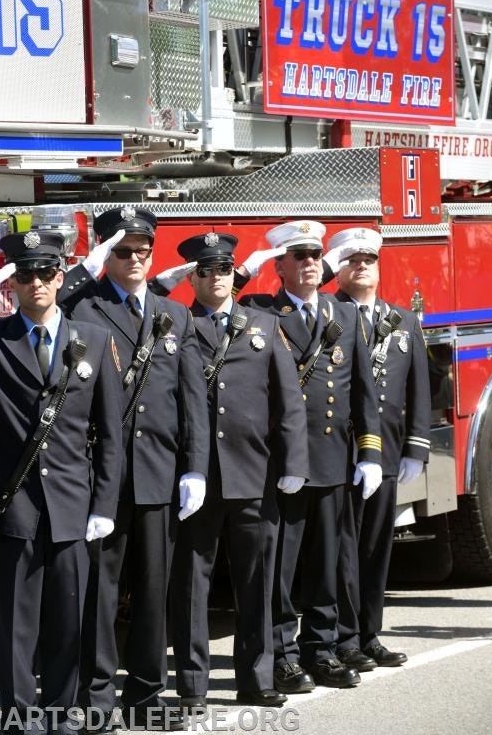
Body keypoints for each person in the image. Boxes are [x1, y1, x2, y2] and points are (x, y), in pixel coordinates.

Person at [59, 208, 210, 732]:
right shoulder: (85, 307)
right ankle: (97, 699)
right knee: (99, 592)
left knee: (153, 591)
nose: (136, 258)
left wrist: (195, 469)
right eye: (123, 250)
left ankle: (146, 695)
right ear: (107, 254)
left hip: (158, 473)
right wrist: (84, 267)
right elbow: (48, 304)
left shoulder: (176, 314)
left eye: (144, 249)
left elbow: (193, 399)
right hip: (102, 476)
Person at [0, 232, 122, 735]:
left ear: (61, 277)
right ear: (12, 282)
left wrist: (104, 502)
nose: (34, 283)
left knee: (67, 623)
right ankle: (22, 719)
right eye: (23, 275)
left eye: (44, 273)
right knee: (15, 626)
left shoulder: (94, 339)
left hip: (73, 505)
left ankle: (60, 716)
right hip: (15, 506)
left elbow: (109, 433)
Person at [237, 220, 383, 694]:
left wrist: (369, 453)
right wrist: (243, 270)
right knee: (279, 566)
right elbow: (213, 310)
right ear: (279, 265)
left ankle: (320, 648)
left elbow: (363, 391)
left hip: (332, 459)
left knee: (327, 563)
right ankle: (280, 653)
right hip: (280, 465)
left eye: (315, 255)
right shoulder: (261, 310)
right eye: (298, 256)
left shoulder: (343, 314)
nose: (309, 263)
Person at [169, 232, 309, 709]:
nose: (216, 279)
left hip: (255, 472)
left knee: (258, 581)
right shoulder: (179, 326)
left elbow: (289, 401)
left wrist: (293, 463)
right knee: (192, 585)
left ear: (235, 272)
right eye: (205, 271)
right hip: (198, 479)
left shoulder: (265, 325)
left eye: (224, 269)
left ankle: (257, 677)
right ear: (193, 277)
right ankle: (192, 686)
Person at [328, 227, 431, 670]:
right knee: (341, 548)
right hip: (339, 451)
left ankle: (371, 634)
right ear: (339, 267)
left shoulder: (403, 320)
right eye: (352, 259)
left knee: (376, 548)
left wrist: (416, 448)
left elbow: (419, 387)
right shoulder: (327, 312)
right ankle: (343, 638)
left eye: (369, 258)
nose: (362, 265)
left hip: (386, 452)